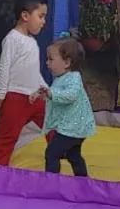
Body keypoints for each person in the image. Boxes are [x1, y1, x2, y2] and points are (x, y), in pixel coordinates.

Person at [0, 0, 48, 165]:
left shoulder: (32, 41)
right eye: (41, 16)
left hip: (35, 97)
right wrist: (1, 95)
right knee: (6, 139)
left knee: (53, 126)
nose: (43, 21)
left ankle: (59, 158)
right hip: (15, 98)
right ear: (25, 16)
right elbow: (4, 66)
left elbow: (34, 71)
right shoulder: (12, 39)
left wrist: (45, 88)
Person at [34, 36, 96, 176]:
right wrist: (42, 94)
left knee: (51, 153)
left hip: (73, 128)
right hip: (74, 127)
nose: (47, 63)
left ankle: (51, 182)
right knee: (74, 155)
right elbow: (56, 97)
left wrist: (50, 94)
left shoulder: (74, 78)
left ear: (67, 62)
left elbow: (69, 95)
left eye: (51, 59)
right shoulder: (62, 78)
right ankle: (83, 181)